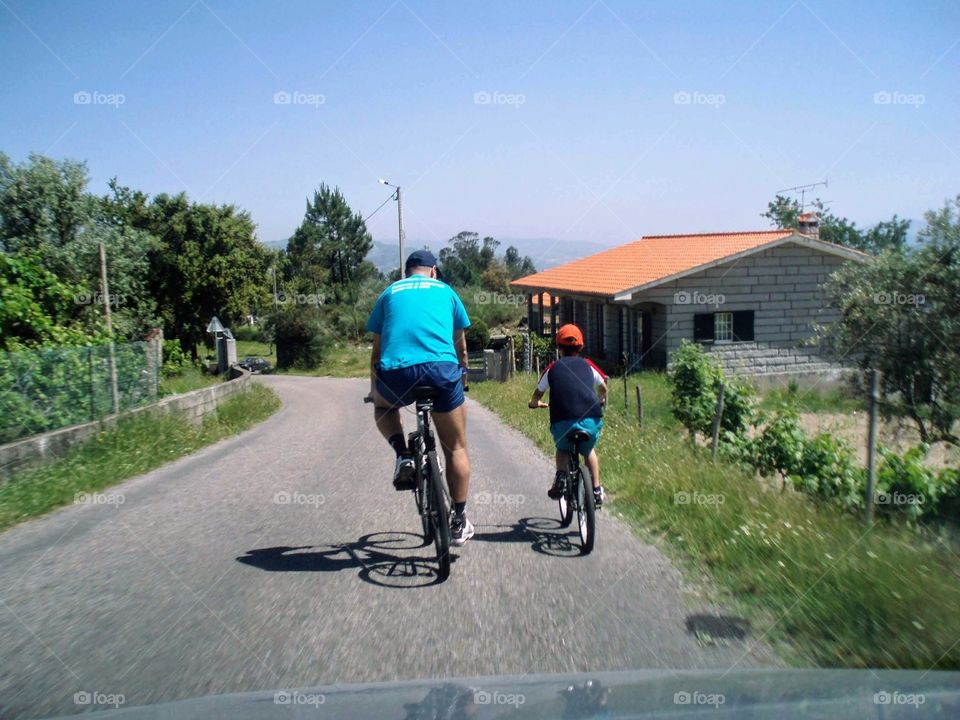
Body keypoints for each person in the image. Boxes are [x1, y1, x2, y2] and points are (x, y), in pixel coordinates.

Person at [366, 250, 474, 545]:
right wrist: (461, 381)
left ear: (407, 272)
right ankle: (458, 520)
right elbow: (461, 349)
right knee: (456, 448)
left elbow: (376, 353)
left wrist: (375, 389)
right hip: (441, 372)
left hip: (397, 373)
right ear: (433, 271)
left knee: (383, 407)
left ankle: (402, 454)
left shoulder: (389, 292)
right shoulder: (447, 292)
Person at [528, 323, 607, 506]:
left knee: (563, 448)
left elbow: (538, 393)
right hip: (591, 420)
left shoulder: (553, 368)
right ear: (580, 346)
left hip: (563, 422)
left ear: (559, 347)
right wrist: (600, 399)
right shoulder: (588, 365)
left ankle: (561, 477)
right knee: (588, 451)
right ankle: (596, 490)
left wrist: (534, 404)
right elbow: (603, 387)